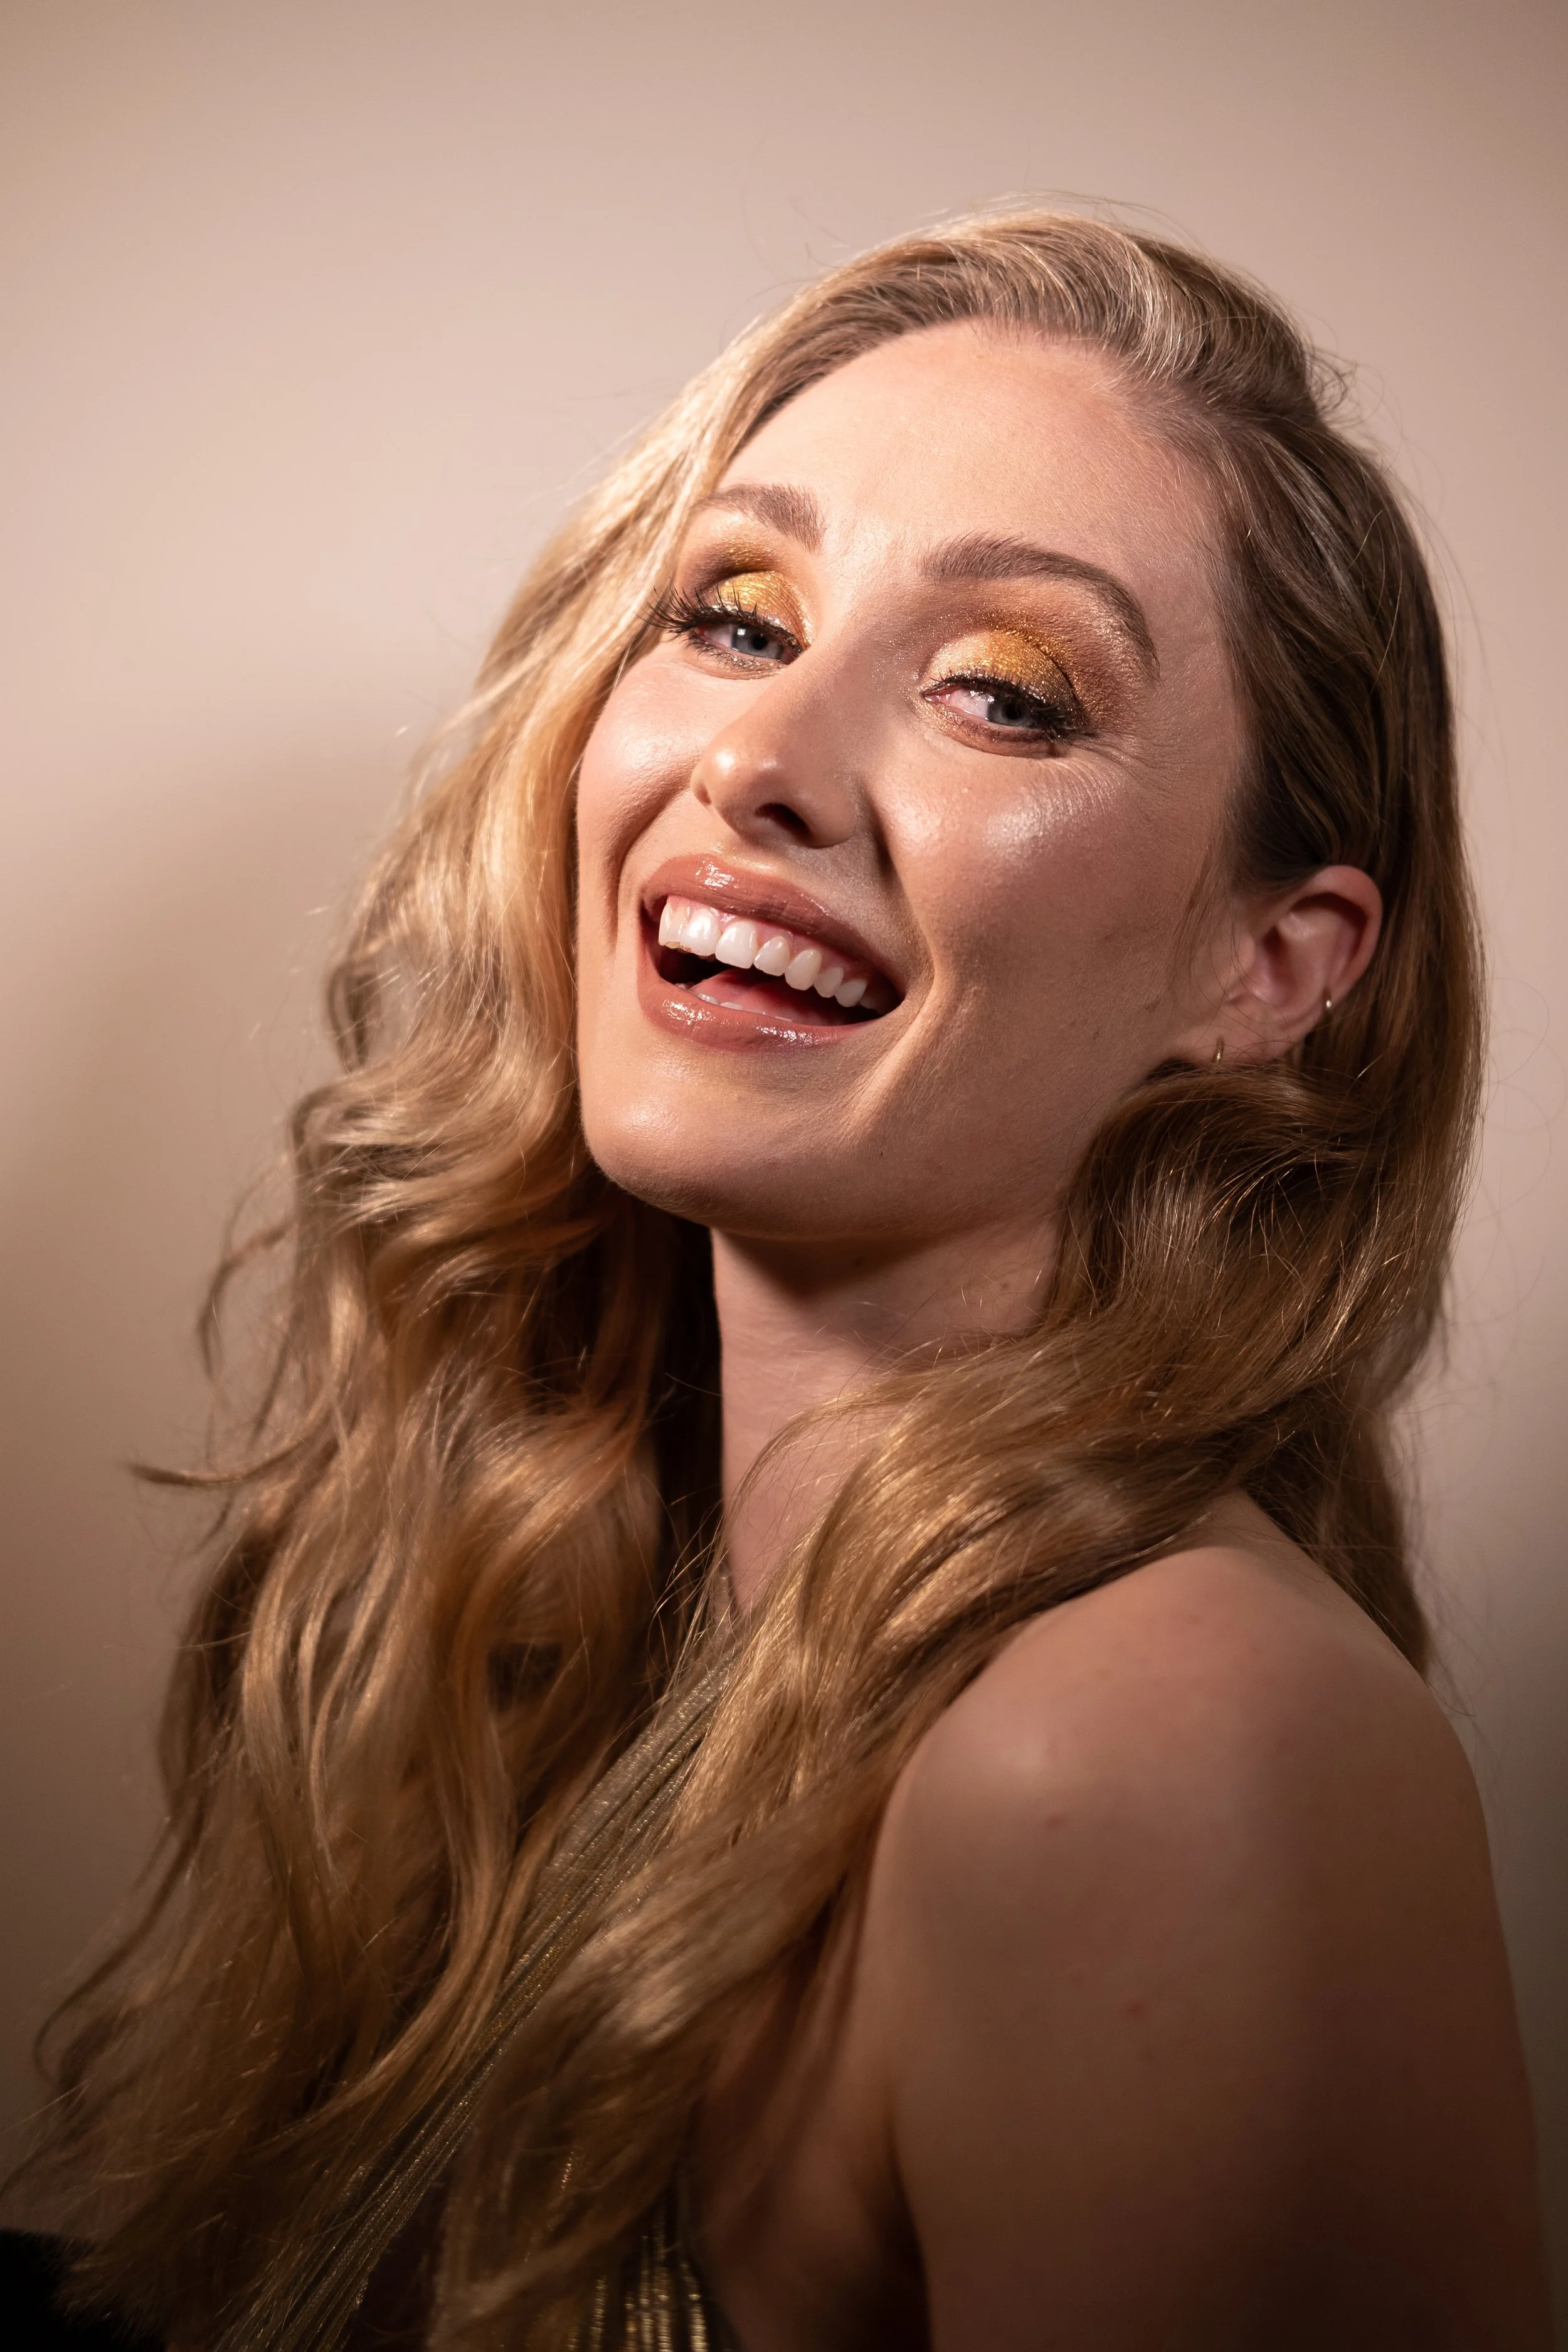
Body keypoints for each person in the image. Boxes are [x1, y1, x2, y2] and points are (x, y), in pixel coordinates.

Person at [9, 211, 1550, 2350]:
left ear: (1265, 966)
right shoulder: (605, 1638)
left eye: (1004, 692)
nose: (757, 761)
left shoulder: (1162, 1751)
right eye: (734, 616)